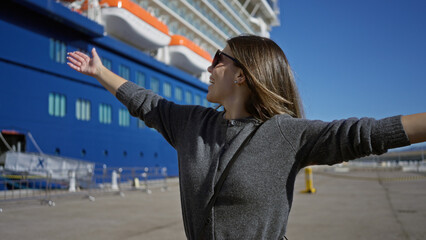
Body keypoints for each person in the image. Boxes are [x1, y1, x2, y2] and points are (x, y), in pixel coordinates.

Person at [67, 35, 426, 240]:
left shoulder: (286, 134)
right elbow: (148, 103)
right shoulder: (192, 124)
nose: (209, 67)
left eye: (218, 59)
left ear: (242, 74)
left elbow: (366, 134)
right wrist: (99, 71)